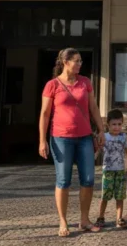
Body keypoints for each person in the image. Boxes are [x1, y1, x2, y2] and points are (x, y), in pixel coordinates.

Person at [39, 48, 107, 237]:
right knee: (63, 180)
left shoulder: (85, 82)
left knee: (88, 179)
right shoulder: (52, 85)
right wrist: (42, 140)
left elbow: (93, 107)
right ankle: (63, 221)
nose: (79, 64)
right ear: (65, 62)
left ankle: (84, 220)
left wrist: (101, 130)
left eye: (80, 61)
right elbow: (45, 114)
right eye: (76, 61)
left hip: (85, 137)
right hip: (61, 138)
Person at [93, 109, 127, 231]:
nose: (117, 127)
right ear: (108, 125)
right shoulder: (105, 137)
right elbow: (98, 150)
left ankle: (119, 218)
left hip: (120, 170)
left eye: (119, 124)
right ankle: (100, 217)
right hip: (108, 171)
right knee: (105, 196)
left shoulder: (123, 137)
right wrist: (93, 158)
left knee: (120, 196)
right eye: (114, 124)